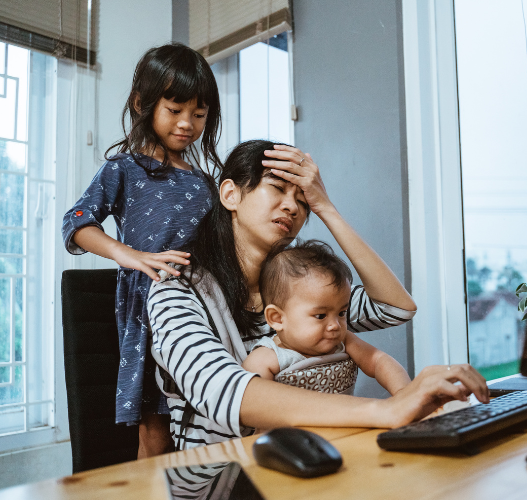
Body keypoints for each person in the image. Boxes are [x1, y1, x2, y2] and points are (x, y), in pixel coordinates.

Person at [147, 140, 490, 450]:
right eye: (277, 189)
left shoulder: (300, 291)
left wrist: (326, 208)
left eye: (303, 202)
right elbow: (225, 391)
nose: (293, 208)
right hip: (218, 476)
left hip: (316, 456)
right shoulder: (174, 288)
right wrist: (387, 409)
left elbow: (395, 308)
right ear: (230, 195)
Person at [61, 43, 223, 458]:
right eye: (175, 110)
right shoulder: (124, 169)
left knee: (206, 417)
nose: (188, 123)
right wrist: (128, 255)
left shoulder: (207, 183)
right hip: (148, 306)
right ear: (142, 103)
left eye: (199, 114)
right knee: (156, 426)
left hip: (205, 309)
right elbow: (76, 222)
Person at [242, 239, 411, 396]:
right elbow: (256, 408)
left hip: (349, 423)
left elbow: (379, 361)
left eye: (342, 313)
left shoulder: (344, 342)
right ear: (277, 318)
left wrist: (404, 394)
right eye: (320, 315)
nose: (335, 325)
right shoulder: (266, 359)